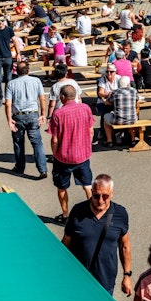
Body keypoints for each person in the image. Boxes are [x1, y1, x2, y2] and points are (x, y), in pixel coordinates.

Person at [63, 174, 133, 296]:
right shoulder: (78, 211)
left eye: (105, 196)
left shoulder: (120, 214)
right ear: (92, 192)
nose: (100, 200)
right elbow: (65, 243)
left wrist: (127, 275)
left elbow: (124, 246)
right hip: (78, 278)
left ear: (112, 193)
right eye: (96, 196)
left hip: (105, 280)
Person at [50, 85, 95, 224]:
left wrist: (54, 153)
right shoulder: (85, 108)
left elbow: (55, 139)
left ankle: (65, 214)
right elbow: (91, 131)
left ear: (62, 97)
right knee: (87, 185)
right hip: (82, 155)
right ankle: (93, 213)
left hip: (64, 157)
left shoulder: (58, 114)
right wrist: (87, 146)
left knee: (61, 187)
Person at [4, 61, 48, 178]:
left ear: (16, 72)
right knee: (37, 143)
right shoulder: (36, 81)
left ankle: (20, 167)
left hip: (18, 115)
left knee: (18, 143)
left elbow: (8, 103)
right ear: (28, 70)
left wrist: (9, 120)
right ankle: (42, 169)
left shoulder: (11, 84)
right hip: (33, 114)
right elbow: (42, 99)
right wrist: (43, 114)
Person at [103, 76, 138, 147]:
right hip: (132, 119)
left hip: (118, 120)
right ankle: (133, 139)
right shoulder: (133, 91)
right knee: (130, 115)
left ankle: (109, 141)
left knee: (105, 117)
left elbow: (107, 102)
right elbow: (136, 100)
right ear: (128, 84)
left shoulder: (115, 92)